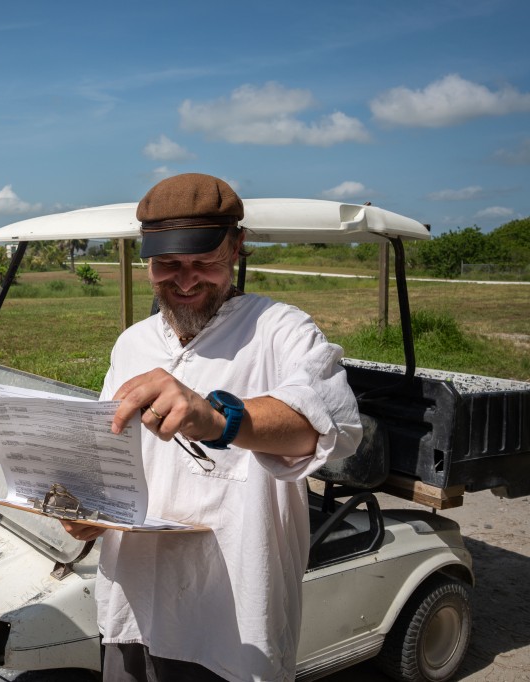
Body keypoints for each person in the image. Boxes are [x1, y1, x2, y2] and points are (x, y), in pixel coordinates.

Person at [61, 173, 362, 681]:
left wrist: (220, 418)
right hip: (135, 607)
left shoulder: (280, 330)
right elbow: (108, 451)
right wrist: (88, 512)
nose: (184, 281)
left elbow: (331, 423)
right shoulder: (132, 344)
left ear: (238, 246)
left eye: (204, 263)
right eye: (167, 266)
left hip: (237, 624)